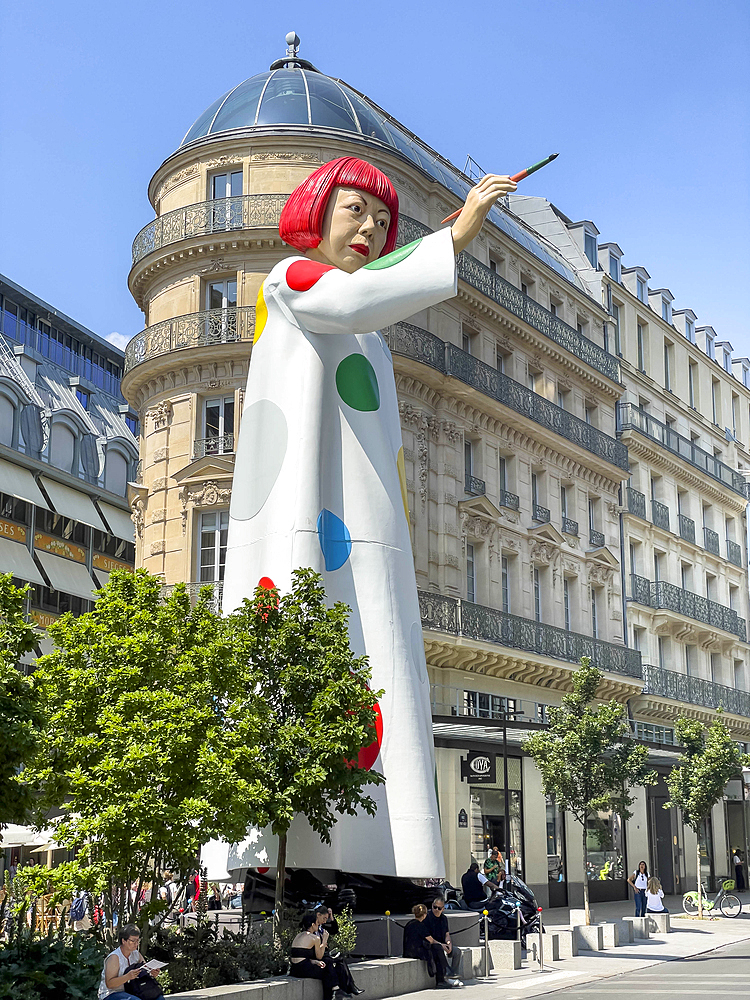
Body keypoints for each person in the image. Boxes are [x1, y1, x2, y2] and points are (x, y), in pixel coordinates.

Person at [222, 156, 516, 876]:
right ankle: (280, 862)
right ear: (316, 212)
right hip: (302, 510)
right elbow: (353, 301)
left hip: (363, 530)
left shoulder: (374, 343)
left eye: (383, 220)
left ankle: (379, 860)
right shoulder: (291, 279)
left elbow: (366, 309)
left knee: (373, 665)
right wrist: (460, 233)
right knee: (304, 649)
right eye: (356, 210)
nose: (371, 228)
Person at [290, 911, 363, 1000]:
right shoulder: (314, 938)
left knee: (329, 966)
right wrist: (324, 941)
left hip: (295, 969)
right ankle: (336, 991)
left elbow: (300, 956)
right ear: (313, 925)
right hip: (304, 970)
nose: (319, 926)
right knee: (330, 967)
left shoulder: (299, 935)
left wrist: (315, 961)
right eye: (317, 924)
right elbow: (320, 956)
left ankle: (337, 991)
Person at [98, 924, 160, 999]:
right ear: (123, 941)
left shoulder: (136, 953)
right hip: (111, 993)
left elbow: (146, 969)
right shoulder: (114, 957)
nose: (136, 943)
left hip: (132, 990)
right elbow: (109, 984)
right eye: (133, 941)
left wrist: (152, 973)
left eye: (138, 940)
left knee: (159, 998)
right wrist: (127, 977)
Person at [402, 903, 456, 989]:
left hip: (408, 951)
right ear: (424, 915)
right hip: (417, 952)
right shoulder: (420, 925)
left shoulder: (409, 924)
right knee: (437, 950)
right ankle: (442, 978)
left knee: (436, 948)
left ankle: (445, 973)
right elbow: (431, 940)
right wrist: (442, 945)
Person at [424, 896, 463, 985]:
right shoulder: (427, 917)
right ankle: (446, 975)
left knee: (457, 952)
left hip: (442, 943)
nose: (436, 910)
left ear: (443, 909)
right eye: (435, 907)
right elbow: (429, 937)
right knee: (439, 950)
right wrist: (442, 945)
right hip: (433, 944)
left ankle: (453, 974)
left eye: (439, 908)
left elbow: (447, 934)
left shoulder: (444, 919)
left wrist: (449, 944)